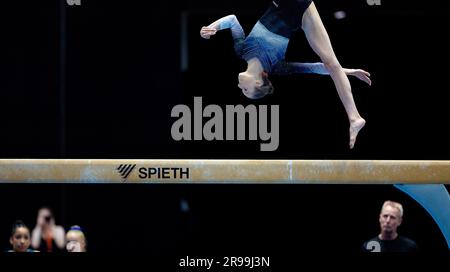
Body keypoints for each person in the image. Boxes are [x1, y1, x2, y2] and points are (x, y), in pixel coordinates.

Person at [200, 0, 371, 148]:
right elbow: (315, 68)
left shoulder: (241, 50)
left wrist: (211, 28)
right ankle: (354, 118)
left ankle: (355, 118)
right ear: (258, 83)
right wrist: (348, 72)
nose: (239, 86)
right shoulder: (277, 67)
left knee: (332, 64)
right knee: (332, 63)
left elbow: (232, 20)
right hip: (299, 11)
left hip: (289, 6)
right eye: (245, 90)